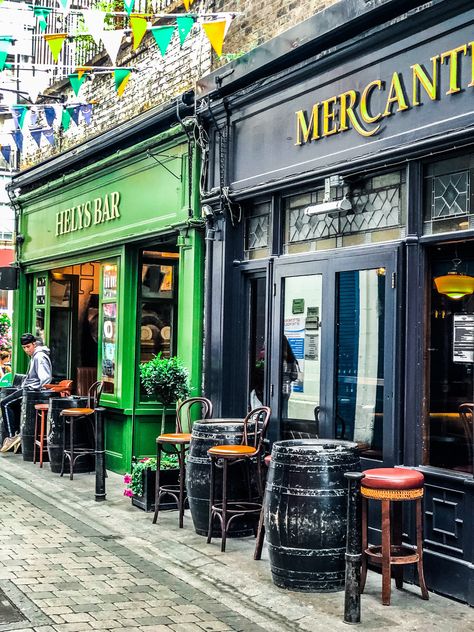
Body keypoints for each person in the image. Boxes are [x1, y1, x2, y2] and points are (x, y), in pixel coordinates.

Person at [0, 333, 52, 453]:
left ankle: (12, 436)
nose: (26, 350)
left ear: (34, 344)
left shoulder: (39, 356)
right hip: (29, 390)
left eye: (28, 346)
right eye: (24, 348)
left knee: (5, 403)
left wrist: (35, 388)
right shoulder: (36, 355)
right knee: (10, 404)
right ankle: (15, 435)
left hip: (32, 392)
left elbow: (45, 378)